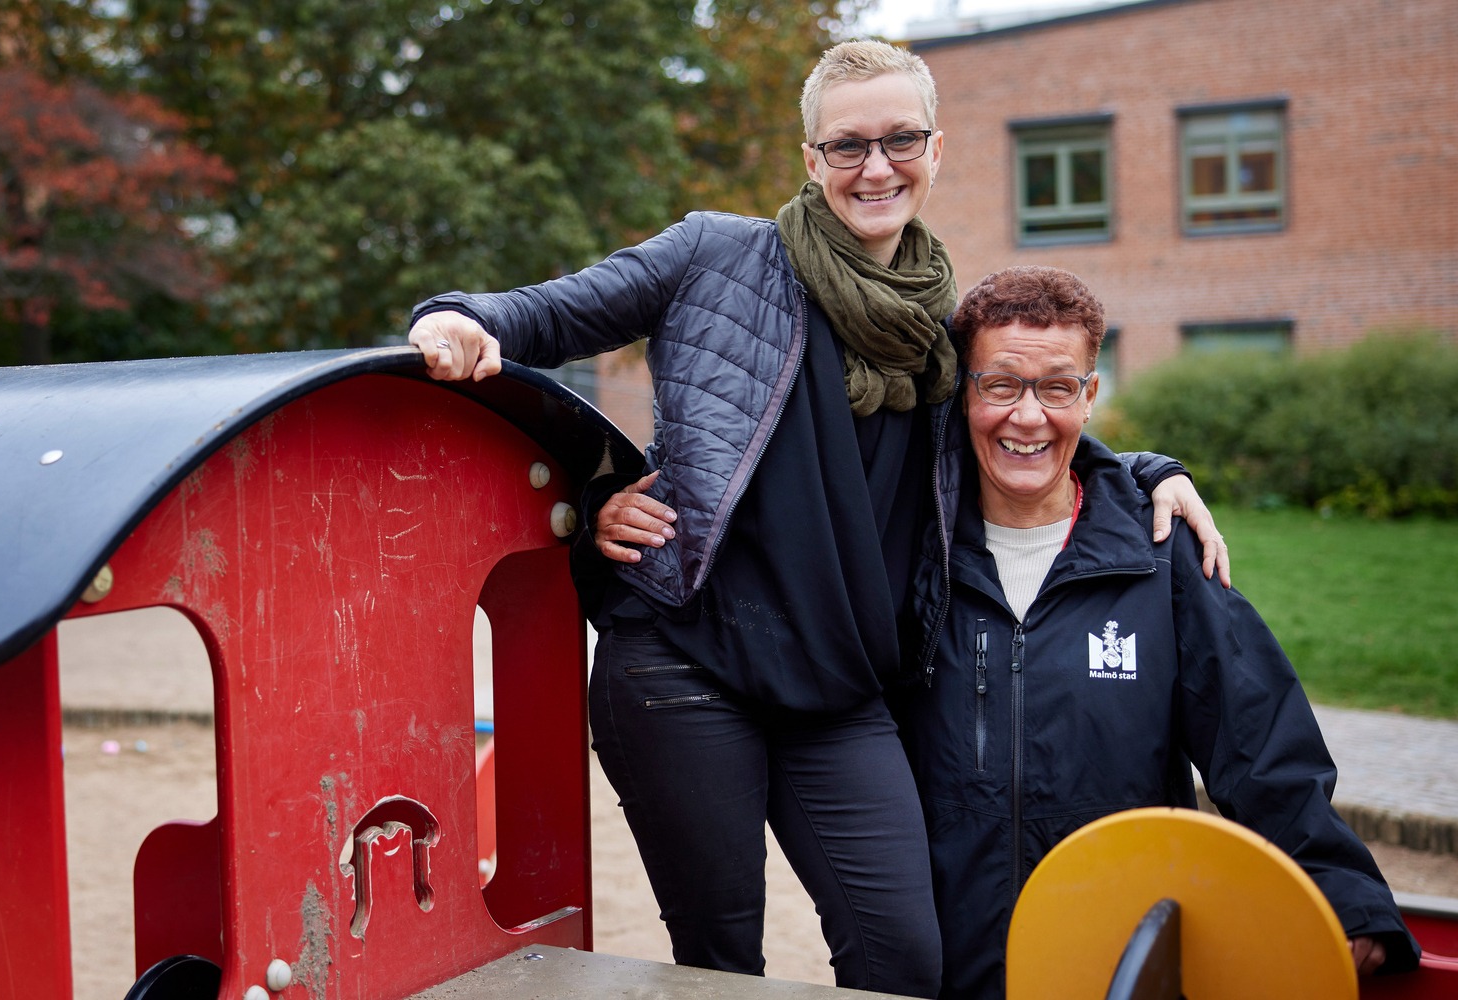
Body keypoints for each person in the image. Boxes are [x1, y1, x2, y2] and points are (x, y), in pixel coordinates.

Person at [407, 40, 1230, 995]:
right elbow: (544, 318)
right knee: (723, 962)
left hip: (841, 688)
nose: (876, 167)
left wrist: (1148, 471)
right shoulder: (714, 255)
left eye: (900, 140)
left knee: (905, 959)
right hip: (687, 663)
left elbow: (1020, 423)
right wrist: (459, 319)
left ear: (935, 149)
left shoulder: (941, 327)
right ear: (811, 158)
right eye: (848, 146)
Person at [891, 265, 1420, 999]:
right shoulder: (910, 550)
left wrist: (1343, 893)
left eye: (1057, 387)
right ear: (965, 390)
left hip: (1116, 962)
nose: (1028, 417)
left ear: (1091, 394)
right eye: (1001, 385)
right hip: (939, 966)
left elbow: (1259, 740)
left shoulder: (1160, 552)